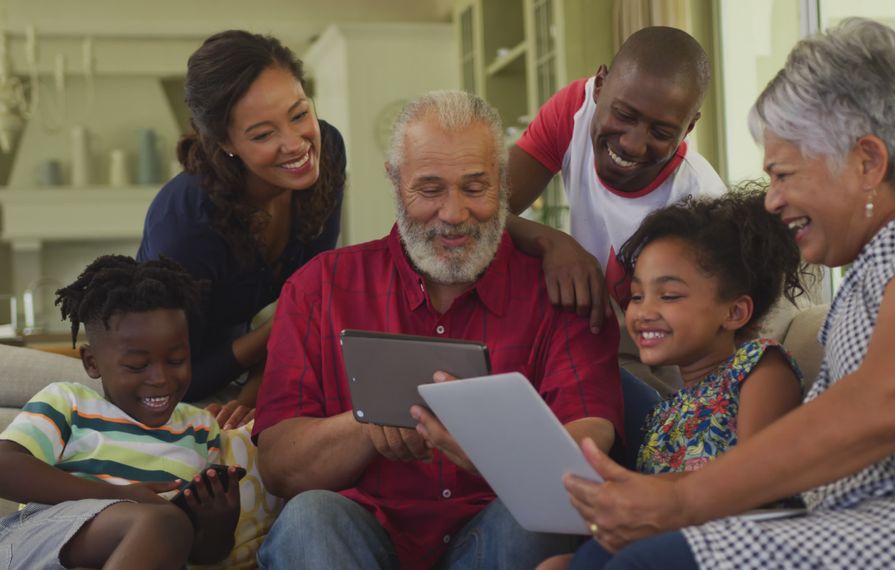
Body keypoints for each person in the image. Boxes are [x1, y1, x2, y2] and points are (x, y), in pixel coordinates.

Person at [559, 18, 895, 569]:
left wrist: (681, 500)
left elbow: (890, 402)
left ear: (868, 162)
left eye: (784, 175)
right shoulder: (868, 276)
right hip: (867, 516)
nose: (772, 201)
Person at [252, 90, 624, 570]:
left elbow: (589, 441)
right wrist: (371, 424)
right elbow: (280, 467)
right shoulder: (318, 287)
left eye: (475, 188)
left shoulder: (560, 290)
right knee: (308, 518)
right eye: (429, 190)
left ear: (504, 183)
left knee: (532, 524)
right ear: (394, 180)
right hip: (363, 534)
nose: (453, 214)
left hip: (493, 534)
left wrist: (488, 444)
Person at [539, 187, 809, 570]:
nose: (643, 311)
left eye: (668, 296)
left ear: (733, 312)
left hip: (740, 545)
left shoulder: (760, 367)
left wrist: (651, 497)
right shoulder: (662, 413)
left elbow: (758, 483)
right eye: (635, 296)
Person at [137, 30, 346, 428]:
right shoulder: (188, 226)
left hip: (252, 354)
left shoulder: (327, 151)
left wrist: (255, 392)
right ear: (225, 142)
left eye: (300, 113)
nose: (296, 143)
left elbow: (309, 303)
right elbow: (172, 378)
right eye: (264, 134)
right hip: (172, 365)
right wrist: (281, 326)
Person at [0, 255, 242, 569]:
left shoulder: (201, 429)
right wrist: (122, 495)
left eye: (175, 360)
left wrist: (220, 522)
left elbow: (200, 553)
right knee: (164, 522)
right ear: (92, 362)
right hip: (40, 545)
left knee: (171, 528)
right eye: (136, 365)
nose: (161, 378)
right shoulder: (69, 402)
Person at [507, 26, 727, 392]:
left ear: (688, 127)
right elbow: (478, 212)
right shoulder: (573, 112)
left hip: (667, 381)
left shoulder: (700, 203)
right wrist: (553, 242)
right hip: (596, 349)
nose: (633, 144)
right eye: (624, 115)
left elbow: (714, 350)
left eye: (660, 132)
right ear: (599, 86)